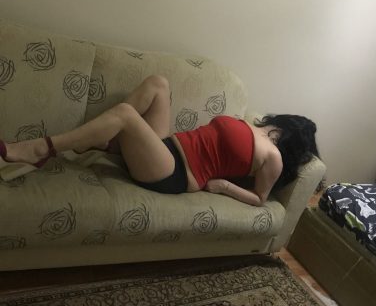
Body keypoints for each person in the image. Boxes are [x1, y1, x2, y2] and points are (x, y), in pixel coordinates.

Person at [0, 75, 319, 206]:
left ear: (291, 132)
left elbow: (260, 198)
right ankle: (104, 142)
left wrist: (224, 186)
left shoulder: (274, 159)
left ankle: (41, 148)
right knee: (158, 83)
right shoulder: (255, 124)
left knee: (126, 114)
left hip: (176, 174)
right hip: (167, 146)